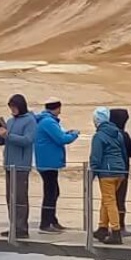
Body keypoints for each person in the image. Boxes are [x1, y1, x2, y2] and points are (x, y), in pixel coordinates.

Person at [34, 99, 80, 233]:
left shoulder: (46, 120)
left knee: (54, 191)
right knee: (50, 193)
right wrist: (74, 134)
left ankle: (52, 220)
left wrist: (66, 133)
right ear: (58, 108)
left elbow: (57, 136)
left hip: (47, 162)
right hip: (48, 163)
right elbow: (61, 139)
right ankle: (45, 223)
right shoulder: (49, 122)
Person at [0, 94, 37, 239]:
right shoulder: (10, 121)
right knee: (10, 198)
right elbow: (4, 142)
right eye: (11, 107)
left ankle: (22, 228)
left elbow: (27, 140)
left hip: (21, 166)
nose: (12, 110)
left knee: (20, 198)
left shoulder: (30, 121)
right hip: (9, 165)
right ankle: (13, 226)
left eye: (14, 107)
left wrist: (7, 135)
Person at [89, 108, 128, 244]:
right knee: (107, 199)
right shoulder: (118, 133)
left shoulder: (99, 136)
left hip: (107, 172)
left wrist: (92, 174)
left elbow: (95, 157)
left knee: (110, 201)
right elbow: (123, 152)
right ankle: (102, 227)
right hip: (119, 171)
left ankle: (116, 231)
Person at [110, 108, 131, 226]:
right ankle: (120, 225)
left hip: (106, 171)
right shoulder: (123, 135)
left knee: (109, 199)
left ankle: (106, 225)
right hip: (122, 171)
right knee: (120, 198)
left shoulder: (105, 133)